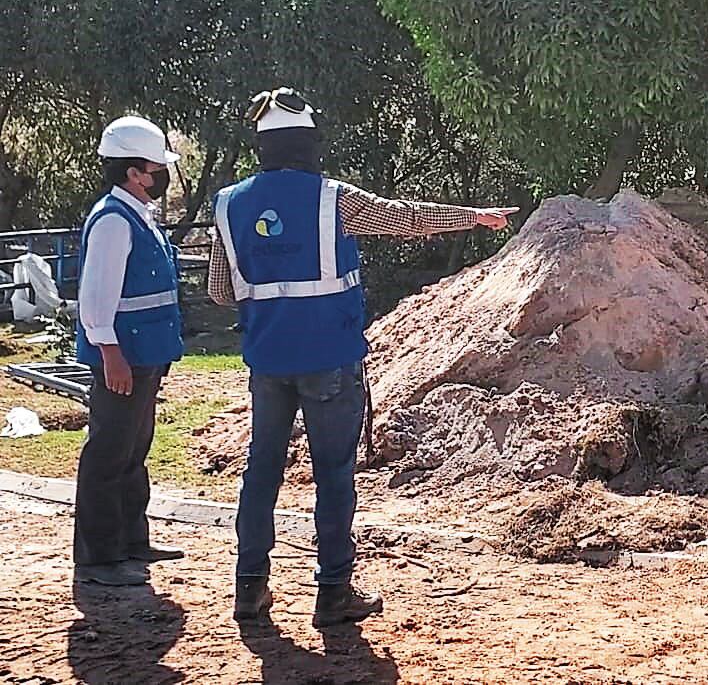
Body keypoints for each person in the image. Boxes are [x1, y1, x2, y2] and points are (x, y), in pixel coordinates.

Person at [210, 88, 516, 627]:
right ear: (308, 142)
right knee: (332, 476)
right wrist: (473, 217)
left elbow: (218, 290)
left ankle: (249, 588)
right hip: (330, 359)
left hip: (267, 361)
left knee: (261, 473)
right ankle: (332, 594)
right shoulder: (332, 199)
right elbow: (405, 220)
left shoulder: (228, 203)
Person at [73, 116, 187, 586]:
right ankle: (99, 557)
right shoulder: (113, 222)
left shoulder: (138, 215)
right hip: (124, 357)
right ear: (135, 172)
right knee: (109, 452)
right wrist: (110, 353)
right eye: (156, 167)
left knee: (134, 449)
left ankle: (131, 541)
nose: (162, 175)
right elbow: (96, 298)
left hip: (146, 354)